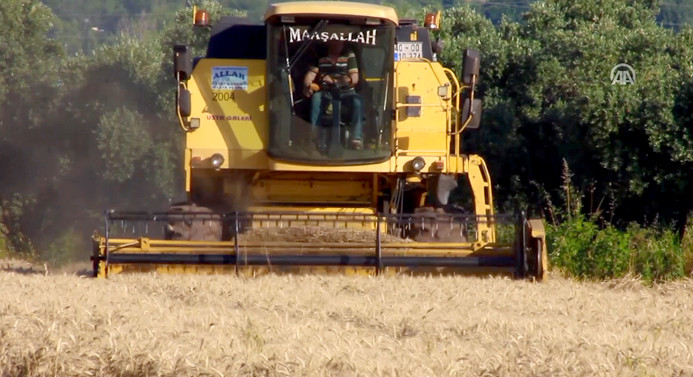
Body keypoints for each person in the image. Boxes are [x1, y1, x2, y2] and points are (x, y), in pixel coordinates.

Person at [303, 39, 363, 151]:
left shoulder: (349, 54)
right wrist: (307, 85)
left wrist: (335, 81)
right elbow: (311, 73)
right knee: (316, 99)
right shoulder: (321, 55)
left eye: (339, 42)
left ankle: (356, 138)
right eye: (334, 41)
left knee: (357, 102)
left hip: (346, 91)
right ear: (328, 42)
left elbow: (354, 78)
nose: (337, 44)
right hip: (326, 91)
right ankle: (315, 137)